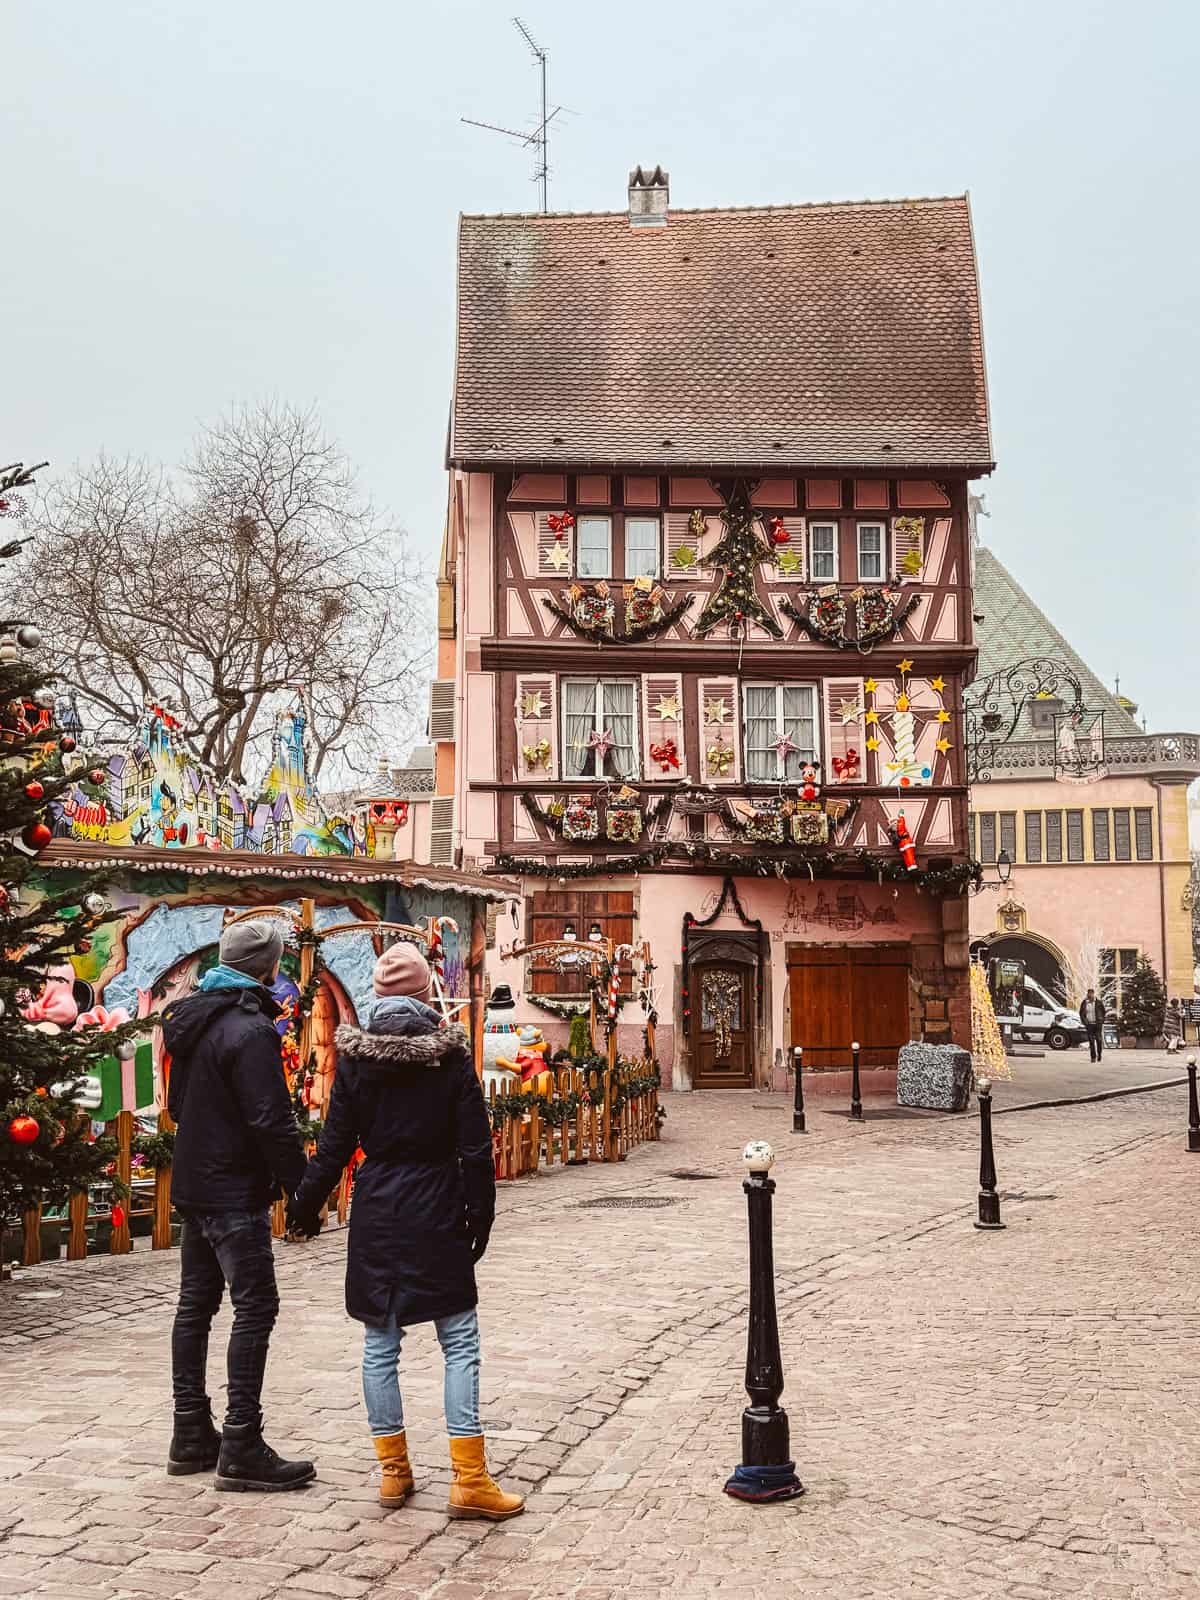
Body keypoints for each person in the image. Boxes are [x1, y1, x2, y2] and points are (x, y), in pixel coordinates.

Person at [287, 944, 523, 1520]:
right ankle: (469, 1479)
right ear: (424, 994)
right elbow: (474, 1144)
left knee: (380, 1344)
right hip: (436, 1203)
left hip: (378, 1208)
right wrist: (481, 1213)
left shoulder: (358, 1060)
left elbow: (336, 1143)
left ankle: (394, 1474)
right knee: (459, 1342)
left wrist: (305, 1205)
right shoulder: (448, 1057)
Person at [164, 920, 316, 1492]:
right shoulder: (250, 1029)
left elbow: (177, 1106)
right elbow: (272, 1120)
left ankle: (189, 1433)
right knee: (256, 1306)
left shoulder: (196, 1018)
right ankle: (242, 1441)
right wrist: (302, 1191)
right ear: (268, 966)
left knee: (195, 1305)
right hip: (231, 1190)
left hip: (196, 1182)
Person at [1080, 986, 1106, 1062]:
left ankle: (1099, 1054)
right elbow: (1081, 1013)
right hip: (1089, 1025)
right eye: (1089, 994)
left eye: (1091, 994)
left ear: (1093, 994)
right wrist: (1084, 1022)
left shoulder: (1099, 1002)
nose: (1090, 995)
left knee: (1098, 1040)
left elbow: (1103, 1012)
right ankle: (1093, 1057)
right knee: (1091, 1041)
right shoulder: (1084, 1003)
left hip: (1097, 1024)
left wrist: (1102, 1020)